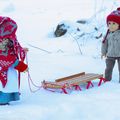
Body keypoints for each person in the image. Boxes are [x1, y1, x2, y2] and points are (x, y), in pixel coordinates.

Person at [0, 16, 28, 105]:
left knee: (9, 83)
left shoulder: (10, 38)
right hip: (5, 68)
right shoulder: (2, 43)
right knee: (7, 84)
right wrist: (20, 66)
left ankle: (5, 97)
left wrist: (22, 50)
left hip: (8, 68)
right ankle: (3, 100)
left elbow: (15, 46)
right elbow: (6, 57)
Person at [101, 8, 120, 82]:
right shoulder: (107, 34)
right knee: (108, 68)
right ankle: (107, 80)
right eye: (109, 23)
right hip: (110, 55)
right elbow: (104, 44)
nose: (111, 26)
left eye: (114, 23)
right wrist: (103, 52)